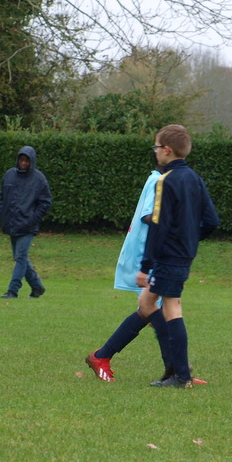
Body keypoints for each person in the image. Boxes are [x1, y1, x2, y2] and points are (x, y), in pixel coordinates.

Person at [85, 125, 219, 388]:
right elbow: (211, 220)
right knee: (154, 305)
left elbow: (157, 225)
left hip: (166, 256)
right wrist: (190, 239)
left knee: (162, 308)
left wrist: (146, 266)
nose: (155, 152)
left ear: (166, 150)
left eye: (156, 147)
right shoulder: (194, 178)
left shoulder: (164, 181)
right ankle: (176, 370)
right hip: (183, 256)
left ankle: (179, 373)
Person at [0, 144, 52, 299]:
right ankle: (37, 287)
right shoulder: (9, 175)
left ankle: (13, 290)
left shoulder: (39, 179)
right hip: (12, 223)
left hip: (28, 225)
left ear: (31, 161)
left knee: (20, 257)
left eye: (26, 160)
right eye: (21, 160)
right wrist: (3, 214)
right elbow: (2, 197)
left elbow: (45, 202)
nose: (23, 163)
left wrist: (33, 219)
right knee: (20, 258)